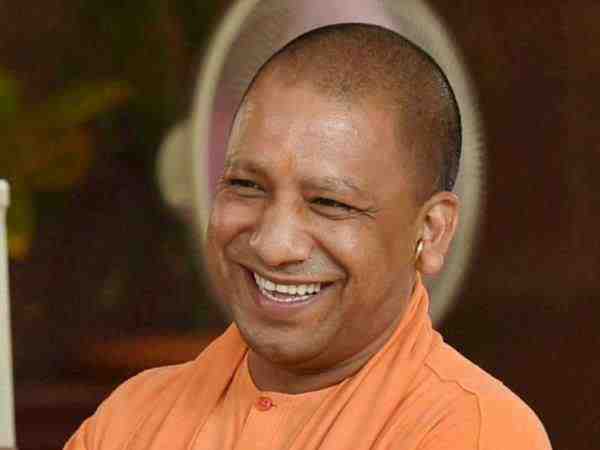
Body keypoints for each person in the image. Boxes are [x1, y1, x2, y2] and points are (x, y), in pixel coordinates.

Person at [65, 23, 552, 449]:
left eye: (330, 203)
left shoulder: (472, 431)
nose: (274, 245)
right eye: (246, 185)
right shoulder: (132, 421)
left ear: (432, 230)